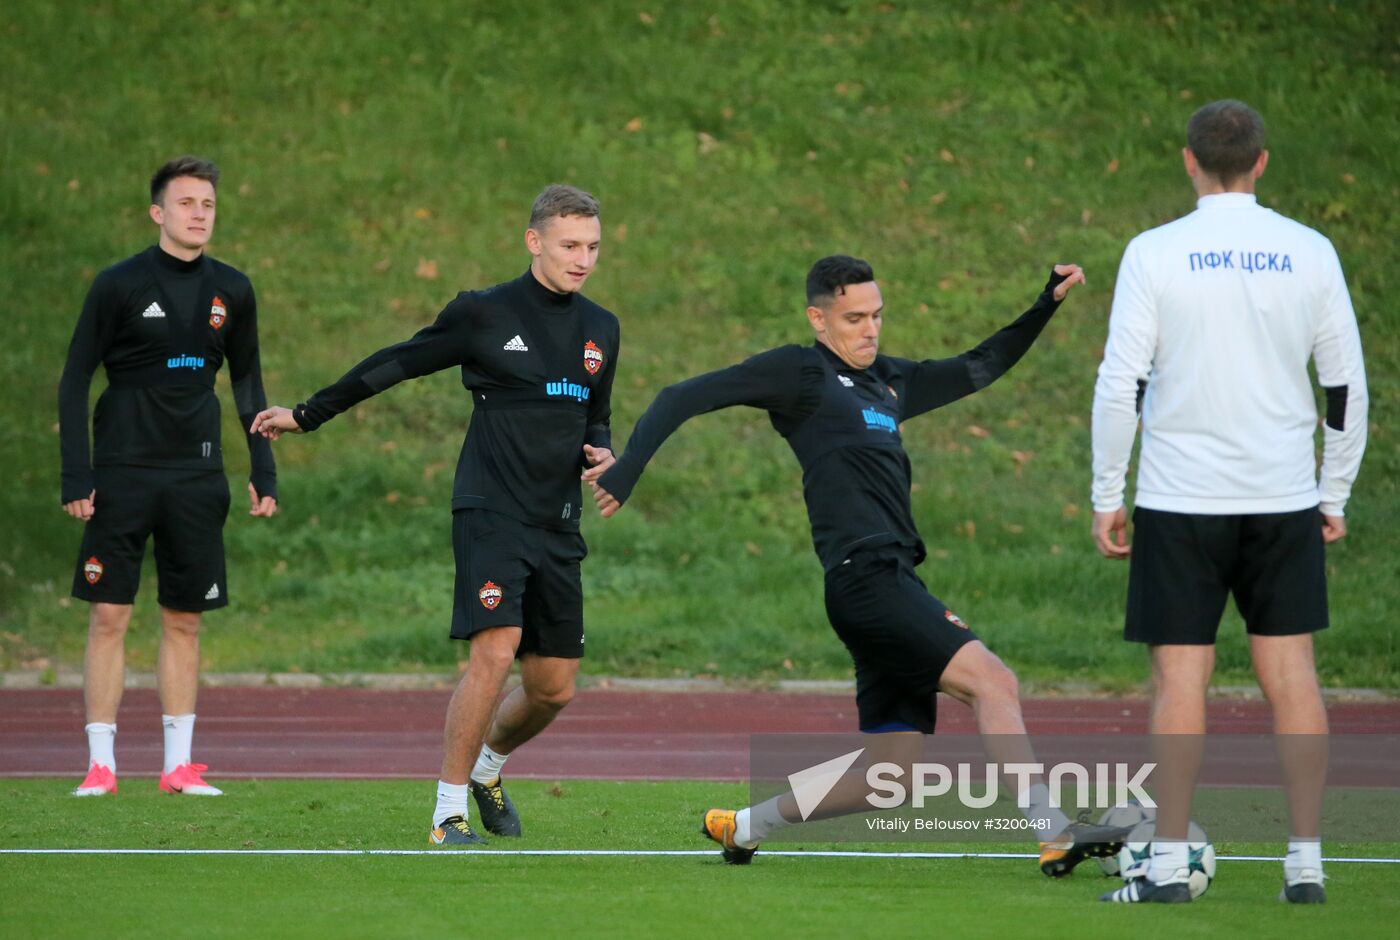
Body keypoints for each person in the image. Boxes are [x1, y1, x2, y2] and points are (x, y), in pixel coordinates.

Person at [587, 255, 1127, 874]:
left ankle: (745, 827)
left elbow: (981, 366)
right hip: (867, 578)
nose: (869, 329)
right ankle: (1053, 832)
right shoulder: (799, 371)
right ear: (819, 319)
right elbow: (682, 395)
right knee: (994, 682)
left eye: (876, 315)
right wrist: (628, 467)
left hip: (885, 580)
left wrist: (1045, 303)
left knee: (889, 776)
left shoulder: (891, 382)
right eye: (853, 318)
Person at [250, 184, 618, 845]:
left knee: (554, 687)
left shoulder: (602, 328)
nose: (582, 258)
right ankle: (447, 814)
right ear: (534, 241)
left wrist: (603, 449)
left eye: (592, 246)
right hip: (490, 510)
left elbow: (597, 414)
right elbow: (398, 362)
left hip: (557, 521)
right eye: (570, 245)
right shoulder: (483, 313)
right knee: (495, 652)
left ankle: (487, 769)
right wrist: (308, 414)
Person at [1090, 100, 1367, 904]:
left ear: (1188, 161)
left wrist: (1109, 491)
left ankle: (1169, 864)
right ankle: (1307, 862)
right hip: (1282, 497)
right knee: (1293, 676)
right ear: (1262, 161)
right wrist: (1334, 489)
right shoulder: (1309, 251)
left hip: (1180, 499)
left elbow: (1120, 384)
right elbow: (1344, 387)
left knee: (1181, 682)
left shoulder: (1154, 253)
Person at [59, 156, 279, 798]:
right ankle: (101, 765)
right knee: (109, 616)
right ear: (159, 213)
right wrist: (78, 472)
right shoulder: (118, 284)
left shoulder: (232, 290)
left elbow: (247, 383)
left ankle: (178, 766)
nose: (199, 214)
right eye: (186, 203)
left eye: (207, 204)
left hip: (196, 477)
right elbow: (75, 379)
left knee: (185, 619)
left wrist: (262, 467)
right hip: (122, 474)